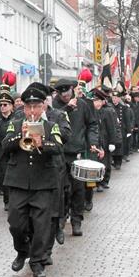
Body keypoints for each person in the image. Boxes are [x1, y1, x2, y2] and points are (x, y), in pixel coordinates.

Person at [3, 86, 64, 277]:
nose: (31, 111)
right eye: (28, 107)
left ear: (43, 107)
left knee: (41, 225)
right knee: (15, 223)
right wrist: (20, 136)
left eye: (35, 107)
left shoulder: (51, 126)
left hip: (43, 183)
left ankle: (37, 262)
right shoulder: (16, 123)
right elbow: (5, 145)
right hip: (19, 181)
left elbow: (58, 147)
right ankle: (22, 250)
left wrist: (42, 143)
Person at [51, 78, 99, 235]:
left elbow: (92, 124)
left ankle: (77, 220)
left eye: (67, 92)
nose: (64, 95)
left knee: (78, 188)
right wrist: (67, 108)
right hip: (59, 153)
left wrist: (92, 142)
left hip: (77, 152)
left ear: (72, 90)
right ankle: (61, 218)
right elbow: (52, 121)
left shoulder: (84, 104)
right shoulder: (54, 105)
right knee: (61, 188)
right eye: (61, 93)